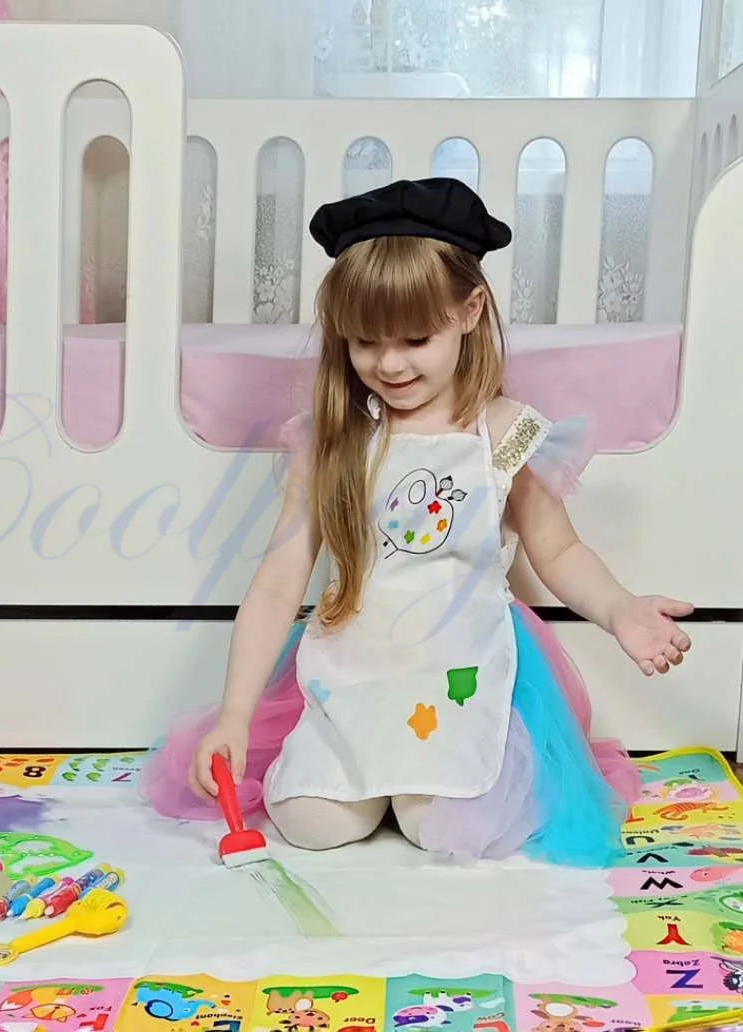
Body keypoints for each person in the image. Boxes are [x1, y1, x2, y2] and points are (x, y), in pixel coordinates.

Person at [141, 177, 693, 867]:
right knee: (311, 822)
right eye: (365, 342)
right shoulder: (334, 439)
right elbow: (280, 582)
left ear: (469, 311)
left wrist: (619, 609)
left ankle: (429, 779)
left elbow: (557, 549)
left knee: (444, 820)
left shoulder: (504, 432)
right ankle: (366, 774)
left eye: (414, 338)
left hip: (460, 662)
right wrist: (234, 715)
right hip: (358, 663)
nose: (390, 363)